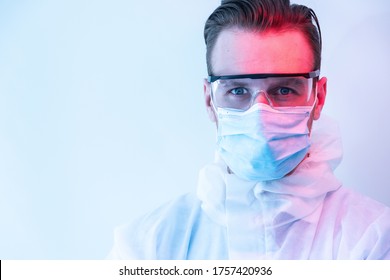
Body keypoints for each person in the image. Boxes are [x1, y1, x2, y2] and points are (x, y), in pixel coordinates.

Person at [108, 0, 390, 259]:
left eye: (283, 89)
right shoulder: (147, 246)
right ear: (209, 100)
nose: (260, 114)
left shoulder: (373, 239)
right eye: (238, 90)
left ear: (318, 97)